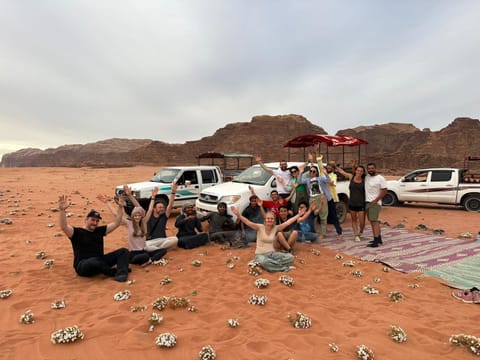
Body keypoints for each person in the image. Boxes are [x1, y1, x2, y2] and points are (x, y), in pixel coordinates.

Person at [58, 194, 130, 282]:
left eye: (97, 221)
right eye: (92, 220)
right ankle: (112, 272)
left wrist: (120, 207)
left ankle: (122, 273)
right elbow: (64, 227)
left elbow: (117, 223)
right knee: (93, 261)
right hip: (83, 266)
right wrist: (62, 210)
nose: (95, 223)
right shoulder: (77, 232)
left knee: (123, 251)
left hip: (100, 262)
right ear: (86, 220)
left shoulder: (99, 230)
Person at [101, 186, 167, 265]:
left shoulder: (144, 222)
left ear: (141, 216)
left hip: (144, 250)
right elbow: (116, 215)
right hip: (133, 253)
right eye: (135, 215)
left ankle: (150, 260)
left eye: (139, 215)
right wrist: (107, 203)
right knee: (143, 256)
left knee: (163, 250)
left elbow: (150, 209)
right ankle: (146, 259)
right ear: (132, 216)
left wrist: (153, 197)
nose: (137, 217)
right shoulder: (129, 223)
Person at [230, 205, 302, 273]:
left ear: (274, 220)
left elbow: (288, 222)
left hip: (272, 254)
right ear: (265, 219)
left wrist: (299, 215)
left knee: (290, 258)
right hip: (260, 255)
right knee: (265, 262)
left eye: (271, 219)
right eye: (268, 218)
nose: (269, 220)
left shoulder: (276, 228)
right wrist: (238, 215)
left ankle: (272, 264)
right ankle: (283, 268)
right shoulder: (259, 227)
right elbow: (248, 222)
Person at [141, 183, 178, 250]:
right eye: (160, 207)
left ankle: (158, 249)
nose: (162, 209)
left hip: (163, 240)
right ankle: (159, 249)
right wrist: (153, 197)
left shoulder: (164, 216)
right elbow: (150, 209)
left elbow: (170, 205)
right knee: (145, 246)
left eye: (163, 207)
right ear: (154, 209)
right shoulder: (149, 216)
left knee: (175, 239)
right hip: (151, 241)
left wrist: (173, 192)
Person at [336, 160, 366, 242]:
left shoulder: (365, 180)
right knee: (354, 220)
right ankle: (356, 235)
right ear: (356, 171)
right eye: (358, 170)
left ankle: (361, 231)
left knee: (362, 222)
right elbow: (342, 172)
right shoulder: (351, 177)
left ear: (363, 172)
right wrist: (336, 167)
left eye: (361, 171)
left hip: (361, 204)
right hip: (352, 202)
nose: (359, 172)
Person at [364, 163, 388, 248]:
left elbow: (384, 191)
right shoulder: (367, 177)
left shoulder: (380, 178)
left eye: (372, 168)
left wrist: (376, 200)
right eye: (369, 168)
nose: (370, 170)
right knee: (373, 221)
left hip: (375, 203)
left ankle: (376, 240)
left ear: (375, 168)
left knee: (374, 222)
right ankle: (378, 238)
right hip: (368, 202)